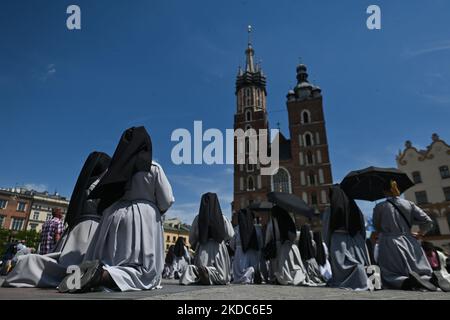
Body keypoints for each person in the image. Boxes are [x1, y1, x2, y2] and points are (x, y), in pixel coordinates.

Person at [59, 126, 174, 293]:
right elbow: (167, 199)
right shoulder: (153, 167)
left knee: (109, 259)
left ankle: (86, 275)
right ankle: (103, 275)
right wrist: (155, 209)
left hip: (113, 216)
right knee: (145, 271)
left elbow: (93, 190)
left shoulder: (111, 170)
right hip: (143, 217)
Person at [3, 151, 111, 288]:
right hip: (91, 228)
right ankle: (28, 264)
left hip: (77, 228)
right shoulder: (98, 184)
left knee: (65, 262)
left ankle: (25, 262)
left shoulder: (84, 184)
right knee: (73, 266)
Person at [373, 180, 436, 291]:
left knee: (391, 272)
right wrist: (420, 233)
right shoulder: (409, 204)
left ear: (384, 191)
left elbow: (377, 227)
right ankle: (429, 279)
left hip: (389, 242)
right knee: (417, 267)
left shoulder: (380, 206)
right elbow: (428, 221)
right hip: (409, 240)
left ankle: (404, 281)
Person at [180, 193, 234, 285]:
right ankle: (208, 272)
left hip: (203, 247)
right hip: (218, 248)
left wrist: (195, 243)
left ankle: (195, 271)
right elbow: (230, 234)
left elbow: (192, 237)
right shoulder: (223, 218)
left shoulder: (198, 218)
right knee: (222, 277)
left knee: (198, 271)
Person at [325, 185, 370, 291]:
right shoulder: (355, 207)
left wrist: (328, 243)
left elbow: (326, 230)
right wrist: (361, 240)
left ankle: (356, 273)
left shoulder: (330, 209)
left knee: (342, 266)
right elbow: (363, 227)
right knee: (359, 260)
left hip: (338, 240)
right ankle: (361, 273)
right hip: (356, 238)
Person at [264, 205, 308, 286]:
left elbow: (268, 237)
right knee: (291, 264)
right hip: (290, 246)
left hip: (277, 246)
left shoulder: (272, 222)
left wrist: (266, 245)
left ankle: (280, 278)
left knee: (278, 264)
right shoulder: (288, 220)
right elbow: (294, 235)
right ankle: (293, 276)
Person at [230, 208, 263, 284]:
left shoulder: (237, 229)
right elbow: (261, 243)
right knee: (253, 264)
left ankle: (245, 276)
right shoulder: (257, 229)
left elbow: (232, 243)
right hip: (253, 252)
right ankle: (252, 273)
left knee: (239, 269)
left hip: (240, 252)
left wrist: (236, 249)